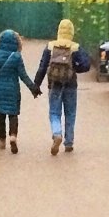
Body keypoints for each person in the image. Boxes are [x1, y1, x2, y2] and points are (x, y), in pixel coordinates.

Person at [32, 19, 92, 155]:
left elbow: (42, 67)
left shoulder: (50, 46)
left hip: (54, 85)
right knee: (70, 113)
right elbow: (86, 65)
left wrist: (36, 85)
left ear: (59, 30)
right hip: (71, 84)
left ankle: (57, 133)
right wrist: (74, 68)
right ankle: (69, 142)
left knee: (54, 112)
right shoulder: (75, 47)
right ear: (72, 31)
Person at [0, 28, 39, 153]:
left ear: (0, 41)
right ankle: (13, 136)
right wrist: (33, 88)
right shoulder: (17, 57)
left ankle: (2, 140)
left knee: (1, 115)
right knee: (13, 114)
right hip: (13, 89)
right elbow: (23, 75)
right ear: (17, 42)